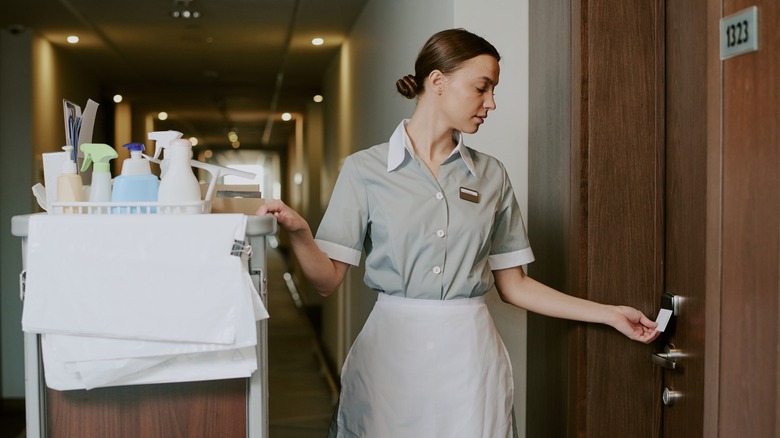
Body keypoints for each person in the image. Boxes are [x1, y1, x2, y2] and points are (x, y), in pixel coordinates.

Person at [257, 28, 660, 438]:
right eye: (481, 88)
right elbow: (327, 282)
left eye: (493, 90)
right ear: (437, 82)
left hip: (471, 360)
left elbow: (516, 287)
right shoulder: (365, 170)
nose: (491, 103)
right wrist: (302, 234)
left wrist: (610, 314)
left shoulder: (491, 175)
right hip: (390, 356)